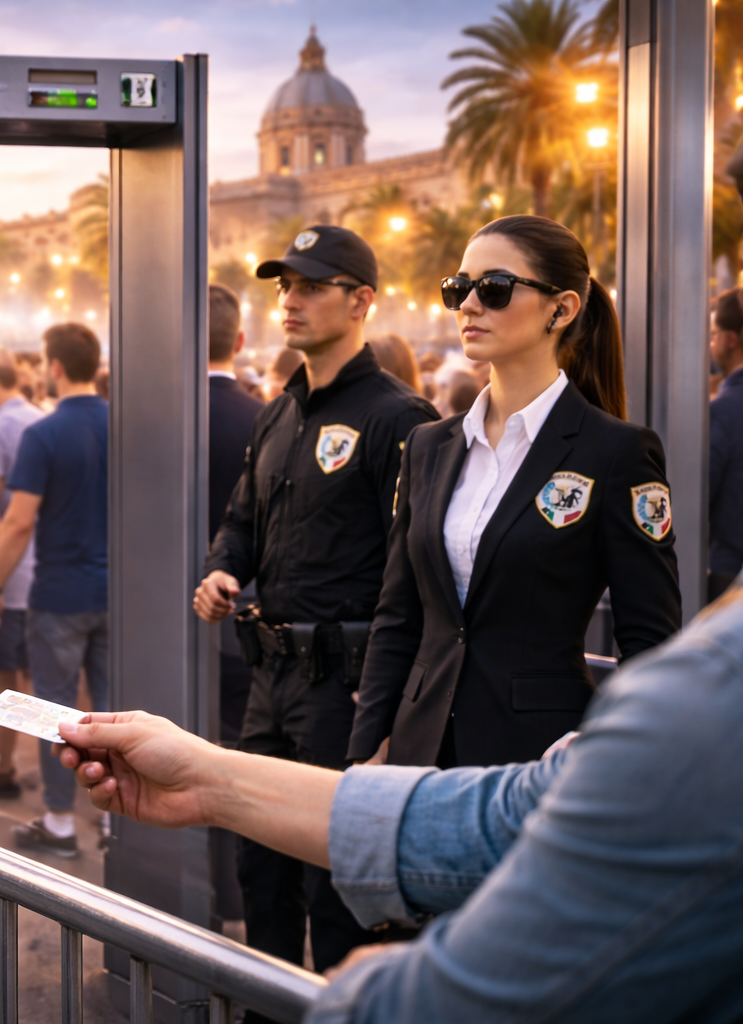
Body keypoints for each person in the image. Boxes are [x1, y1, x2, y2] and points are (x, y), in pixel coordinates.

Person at [57, 582, 743, 1023]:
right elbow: (511, 811)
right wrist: (209, 778)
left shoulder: (710, 690)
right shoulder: (429, 442)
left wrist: (364, 990)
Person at [191, 225, 438, 989]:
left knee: (339, 885)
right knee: (260, 873)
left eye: (309, 286)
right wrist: (222, 571)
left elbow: (419, 566)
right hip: (270, 678)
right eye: (283, 286)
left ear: (361, 300)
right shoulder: (277, 412)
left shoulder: (402, 417)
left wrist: (393, 702)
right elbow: (242, 522)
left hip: (351, 687)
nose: (289, 301)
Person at [350, 216, 682, 770]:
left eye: (495, 288)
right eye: (458, 289)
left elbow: (651, 640)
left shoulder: (617, 452)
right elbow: (398, 617)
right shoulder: (429, 444)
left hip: (540, 760)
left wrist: (604, 744)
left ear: (563, 308)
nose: (469, 305)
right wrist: (366, 750)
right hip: (416, 753)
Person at [0, 323, 109, 856]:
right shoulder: (122, 425)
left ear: (54, 367)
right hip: (118, 590)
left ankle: (59, 820)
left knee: (55, 709)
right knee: (110, 708)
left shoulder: (44, 435)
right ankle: (110, 818)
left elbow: (17, 524)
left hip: (58, 591)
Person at [0, 349, 45, 798]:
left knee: (6, 672)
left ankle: (5, 764)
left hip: (12, 570)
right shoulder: (40, 417)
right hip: (43, 564)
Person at [206, 284, 264, 745]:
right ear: (239, 342)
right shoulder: (264, 418)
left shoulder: (141, 418)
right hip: (240, 594)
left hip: (154, 602)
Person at [708, 286, 743, 601]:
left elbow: (697, 500)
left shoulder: (721, 413)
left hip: (728, 578)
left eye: (714, 333)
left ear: (731, 339)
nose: (711, 343)